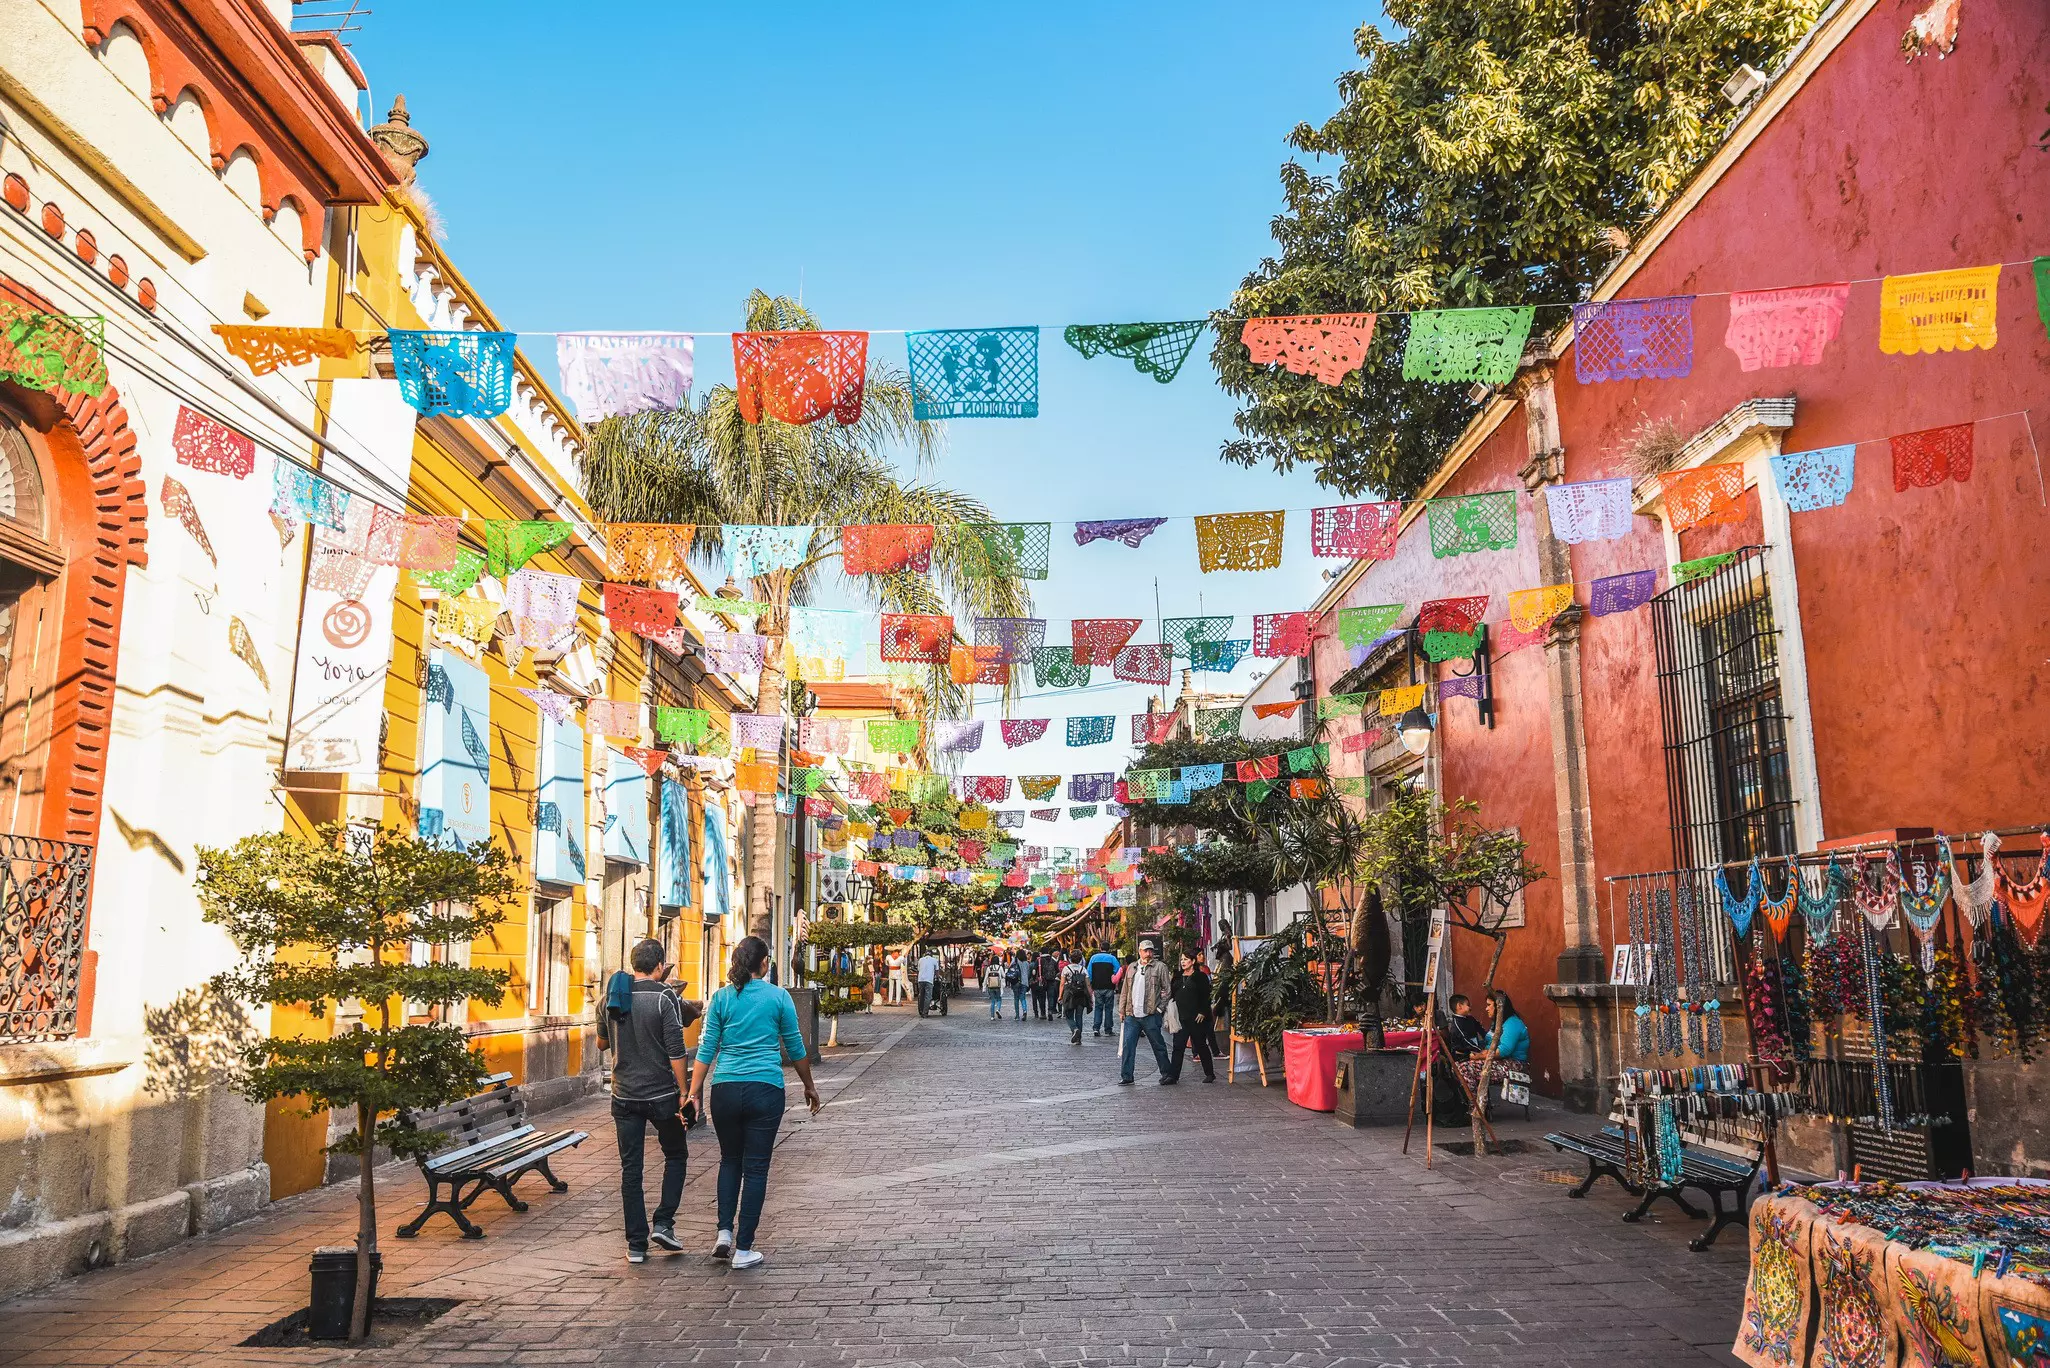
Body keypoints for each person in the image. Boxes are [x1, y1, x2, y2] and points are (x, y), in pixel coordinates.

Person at [687, 936, 820, 1270]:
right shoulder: (779, 997)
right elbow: (795, 1047)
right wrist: (809, 1086)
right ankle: (745, 1248)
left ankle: (723, 1233)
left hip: (726, 1090)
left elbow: (707, 1048)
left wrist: (693, 1091)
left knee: (729, 1160)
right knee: (757, 1166)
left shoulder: (720, 998)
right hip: (765, 1089)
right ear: (765, 963)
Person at [596, 938, 697, 1263]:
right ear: (659, 966)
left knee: (631, 1169)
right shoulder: (664, 997)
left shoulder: (609, 997)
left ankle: (636, 1246)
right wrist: (685, 1093)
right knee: (676, 1155)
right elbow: (675, 1050)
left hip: (623, 1095)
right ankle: (664, 1223)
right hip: (661, 1096)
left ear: (633, 963)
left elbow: (601, 1043)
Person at [1116, 940, 1175, 1085]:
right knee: (1128, 1046)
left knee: (1158, 1045)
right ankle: (1127, 1075)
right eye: (1145, 950)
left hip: (1150, 1014)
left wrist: (1160, 1009)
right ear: (1140, 951)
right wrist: (1122, 1009)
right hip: (1132, 1014)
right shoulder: (1132, 967)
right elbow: (1125, 990)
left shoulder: (1160, 967)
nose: (1148, 953)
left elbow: (1167, 990)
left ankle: (1166, 1073)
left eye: (1150, 951)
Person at [1166, 949, 1217, 1083]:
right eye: (1182, 959)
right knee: (1178, 1046)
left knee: (1200, 1045)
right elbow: (1173, 994)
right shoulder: (1177, 976)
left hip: (1196, 1017)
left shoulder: (1200, 977)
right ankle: (1173, 1076)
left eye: (1186, 959)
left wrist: (1203, 1011)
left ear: (1193, 961)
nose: (1183, 962)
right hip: (1181, 1017)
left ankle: (1210, 1073)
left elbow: (1206, 996)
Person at [1484, 991, 1530, 1064]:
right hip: (1496, 1059)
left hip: (1514, 1064)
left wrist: (1480, 1056)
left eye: (1489, 1005)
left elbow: (1504, 1050)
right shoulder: (1497, 1022)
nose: (1486, 1009)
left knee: (1466, 1067)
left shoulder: (1512, 1023)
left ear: (1498, 1006)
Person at [1087, 943, 1120, 1037]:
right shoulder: (1112, 958)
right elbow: (1117, 970)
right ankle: (1108, 1029)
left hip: (1097, 987)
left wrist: (1091, 984)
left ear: (1100, 948)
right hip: (1109, 986)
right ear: (1108, 948)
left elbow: (1089, 972)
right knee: (1109, 1009)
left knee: (1098, 1007)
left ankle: (1096, 1028)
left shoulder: (1093, 958)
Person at [1059, 953, 1093, 1043]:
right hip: (1081, 994)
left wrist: (1060, 995)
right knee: (1079, 1016)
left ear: (1070, 959)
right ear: (1080, 959)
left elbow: (1062, 984)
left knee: (1068, 1014)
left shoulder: (1066, 969)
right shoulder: (1083, 969)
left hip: (1069, 994)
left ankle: (1074, 1029)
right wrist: (1090, 997)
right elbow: (1088, 984)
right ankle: (1078, 1038)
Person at [1444, 993, 1489, 1060]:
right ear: (1459, 1006)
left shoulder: (1470, 1018)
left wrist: (1488, 1040)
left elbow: (1480, 1029)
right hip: (1463, 1056)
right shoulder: (1456, 1024)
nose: (1470, 1008)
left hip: (1475, 1049)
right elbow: (1465, 1040)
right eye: (1468, 1005)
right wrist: (1480, 1051)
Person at [914, 943, 939, 1016]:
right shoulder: (934, 960)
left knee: (921, 995)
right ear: (931, 955)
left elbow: (918, 971)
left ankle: (921, 1010)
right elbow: (937, 971)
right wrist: (937, 977)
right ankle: (925, 1012)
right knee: (928, 996)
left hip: (921, 980)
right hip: (929, 980)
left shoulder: (921, 960)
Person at [1008, 950, 1029, 1021]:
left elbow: (1010, 969)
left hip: (1016, 982)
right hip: (1024, 982)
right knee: (1023, 998)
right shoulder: (1026, 963)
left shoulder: (1015, 960)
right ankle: (1025, 1011)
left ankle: (1017, 1016)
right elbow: (1028, 973)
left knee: (1016, 998)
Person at [982, 954, 1004, 1019]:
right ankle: (998, 1010)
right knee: (999, 999)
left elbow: (986, 978)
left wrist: (984, 987)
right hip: (998, 986)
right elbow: (1004, 975)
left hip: (990, 986)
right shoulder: (1000, 967)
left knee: (992, 1001)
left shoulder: (989, 968)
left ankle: (992, 1016)